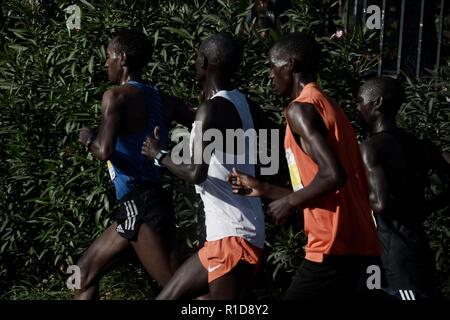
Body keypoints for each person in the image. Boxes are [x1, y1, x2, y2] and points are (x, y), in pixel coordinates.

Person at [229, 32, 381, 300]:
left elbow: (334, 176)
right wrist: (262, 188)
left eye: (273, 67)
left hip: (331, 245)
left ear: (290, 65)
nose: (270, 75)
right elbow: (323, 188)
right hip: (361, 244)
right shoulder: (329, 106)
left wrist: (288, 204)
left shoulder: (300, 109)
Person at [141, 32, 266, 300]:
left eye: (197, 56)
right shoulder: (247, 106)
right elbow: (266, 158)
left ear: (205, 62)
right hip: (243, 230)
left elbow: (196, 174)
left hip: (231, 237)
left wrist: (158, 153)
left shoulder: (208, 110)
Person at [76, 29, 194, 299]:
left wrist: (88, 138)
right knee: (82, 273)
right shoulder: (163, 100)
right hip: (142, 206)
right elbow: (200, 120)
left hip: (141, 209)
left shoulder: (115, 97)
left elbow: (103, 151)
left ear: (123, 58)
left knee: (179, 291)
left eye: (108, 57)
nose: (106, 63)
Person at [357, 76, 450, 300]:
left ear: (376, 103)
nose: (358, 109)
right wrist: (424, 208)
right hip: (416, 246)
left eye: (360, 102)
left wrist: (347, 198)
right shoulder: (421, 146)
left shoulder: (370, 147)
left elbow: (380, 203)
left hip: (391, 252)